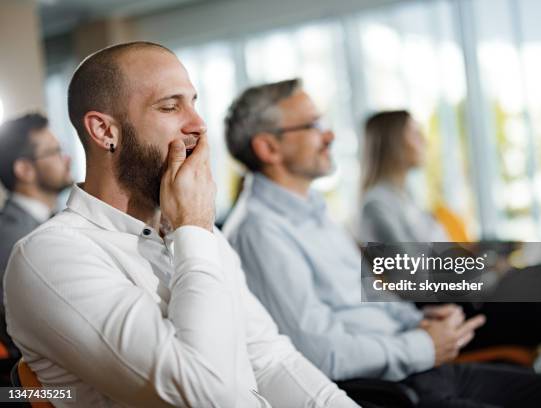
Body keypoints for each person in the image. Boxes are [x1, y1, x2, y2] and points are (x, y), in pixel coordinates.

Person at [3, 43, 357, 408]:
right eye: (170, 106)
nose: (198, 124)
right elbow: (202, 394)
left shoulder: (197, 233)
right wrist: (193, 228)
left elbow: (270, 361)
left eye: (194, 102)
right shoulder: (49, 256)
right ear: (105, 131)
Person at [222, 79, 541, 407]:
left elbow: (370, 291)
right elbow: (320, 352)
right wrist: (422, 342)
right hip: (390, 383)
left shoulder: (315, 213)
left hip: (415, 357)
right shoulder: (259, 231)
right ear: (269, 149)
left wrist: (419, 321)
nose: (331, 135)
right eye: (312, 124)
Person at [358, 110, 541, 395]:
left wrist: (485, 268)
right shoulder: (377, 207)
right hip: (446, 316)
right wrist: (487, 270)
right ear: (392, 144)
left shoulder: (406, 200)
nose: (424, 140)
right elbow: (416, 282)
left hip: (462, 300)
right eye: (414, 134)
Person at [0, 113, 72, 356]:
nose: (67, 159)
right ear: (24, 169)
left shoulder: (57, 220)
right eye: (55, 152)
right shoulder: (10, 238)